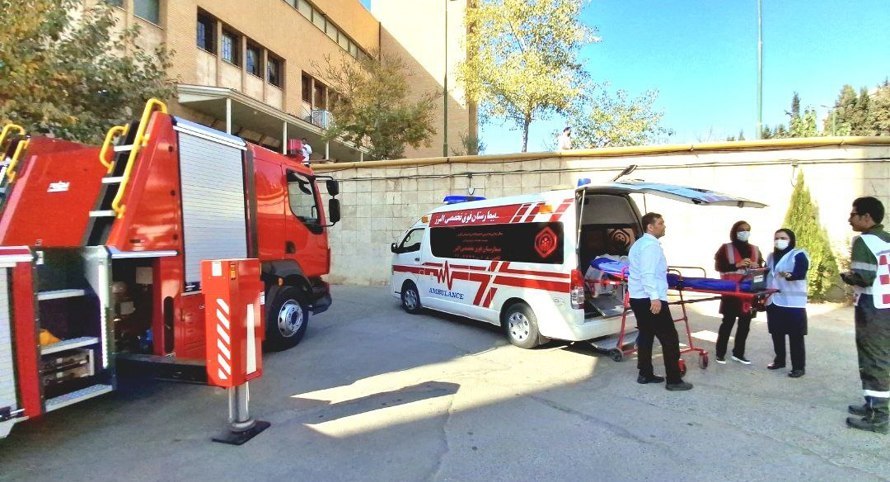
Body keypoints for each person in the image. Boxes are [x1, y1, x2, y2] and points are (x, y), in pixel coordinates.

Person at [840, 196, 890, 434]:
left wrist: (847, 276)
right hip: (886, 305)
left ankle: (879, 417)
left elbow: (863, 277)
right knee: (882, 358)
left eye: (853, 214)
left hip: (872, 309)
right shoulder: (886, 239)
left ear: (866, 217)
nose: (849, 219)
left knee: (873, 360)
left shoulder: (863, 241)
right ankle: (873, 404)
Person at [627, 212, 693, 391]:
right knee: (669, 338)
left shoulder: (639, 244)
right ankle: (673, 380)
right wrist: (654, 298)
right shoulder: (650, 246)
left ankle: (645, 373)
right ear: (650, 226)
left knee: (646, 334)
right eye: (661, 223)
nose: (664, 226)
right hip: (650, 298)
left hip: (638, 297)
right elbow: (647, 274)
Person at [713, 220, 764, 365]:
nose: (745, 232)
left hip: (748, 294)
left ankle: (739, 353)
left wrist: (756, 266)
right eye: (741, 230)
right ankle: (720, 353)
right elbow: (719, 266)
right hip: (731, 292)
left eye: (747, 230)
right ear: (735, 231)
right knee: (727, 323)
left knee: (745, 325)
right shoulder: (726, 248)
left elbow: (761, 270)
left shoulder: (755, 249)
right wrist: (737, 264)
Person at [764, 228, 810, 378]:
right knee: (776, 333)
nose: (779, 241)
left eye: (783, 238)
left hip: (793, 303)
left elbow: (801, 273)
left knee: (795, 336)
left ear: (791, 240)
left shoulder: (798, 254)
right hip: (773, 300)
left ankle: (798, 367)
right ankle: (779, 360)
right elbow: (766, 274)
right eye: (776, 238)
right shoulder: (771, 256)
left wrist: (790, 275)